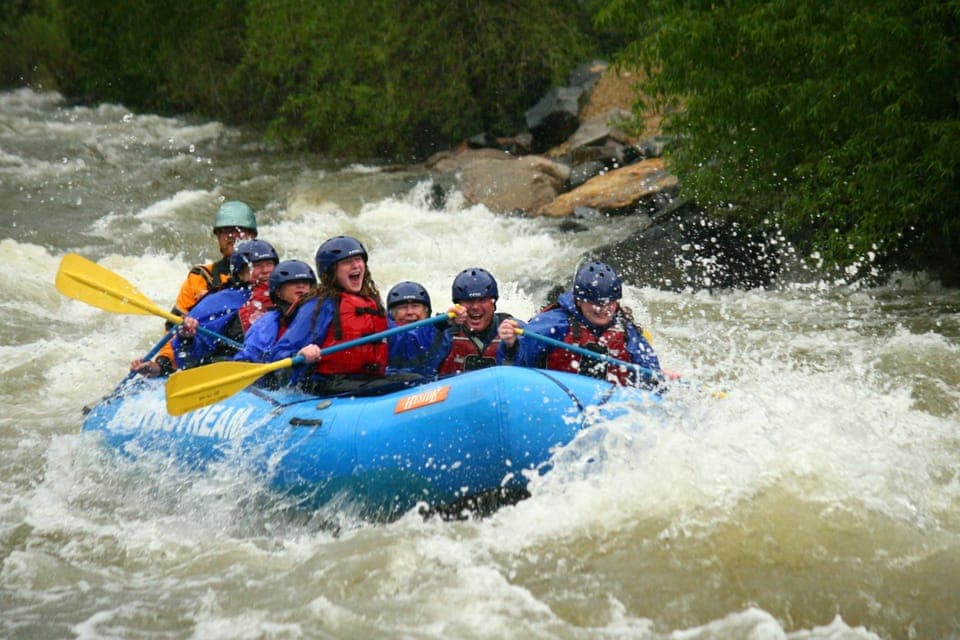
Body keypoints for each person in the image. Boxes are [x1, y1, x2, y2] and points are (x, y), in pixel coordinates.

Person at [497, 261, 662, 386]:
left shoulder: (627, 331)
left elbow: (649, 373)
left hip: (609, 408)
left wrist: (657, 378)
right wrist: (511, 346)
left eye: (608, 302)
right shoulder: (554, 323)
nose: (602, 309)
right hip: (558, 399)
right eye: (594, 302)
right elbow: (517, 368)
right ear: (579, 300)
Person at [266, 235, 393, 393]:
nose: (355, 266)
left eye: (358, 259)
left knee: (413, 379)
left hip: (366, 379)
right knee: (406, 383)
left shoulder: (371, 302)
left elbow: (398, 339)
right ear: (331, 271)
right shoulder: (320, 304)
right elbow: (279, 353)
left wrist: (432, 329)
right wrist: (299, 353)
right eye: (347, 262)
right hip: (328, 384)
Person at [132, 239, 278, 375]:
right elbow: (189, 359)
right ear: (241, 273)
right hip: (230, 369)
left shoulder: (287, 294)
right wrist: (186, 339)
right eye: (257, 266)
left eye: (269, 264)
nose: (266, 271)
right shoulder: (220, 301)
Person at [389, 267, 511, 376]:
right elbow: (416, 365)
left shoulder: (511, 327)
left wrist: (513, 346)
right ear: (458, 305)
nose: (475, 307)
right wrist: (441, 325)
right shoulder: (444, 333)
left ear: (493, 303)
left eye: (482, 300)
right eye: (468, 301)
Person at [232, 259, 317, 363]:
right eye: (293, 282)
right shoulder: (269, 320)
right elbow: (252, 353)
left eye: (305, 282)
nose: (301, 286)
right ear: (278, 291)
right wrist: (295, 355)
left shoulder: (322, 311)